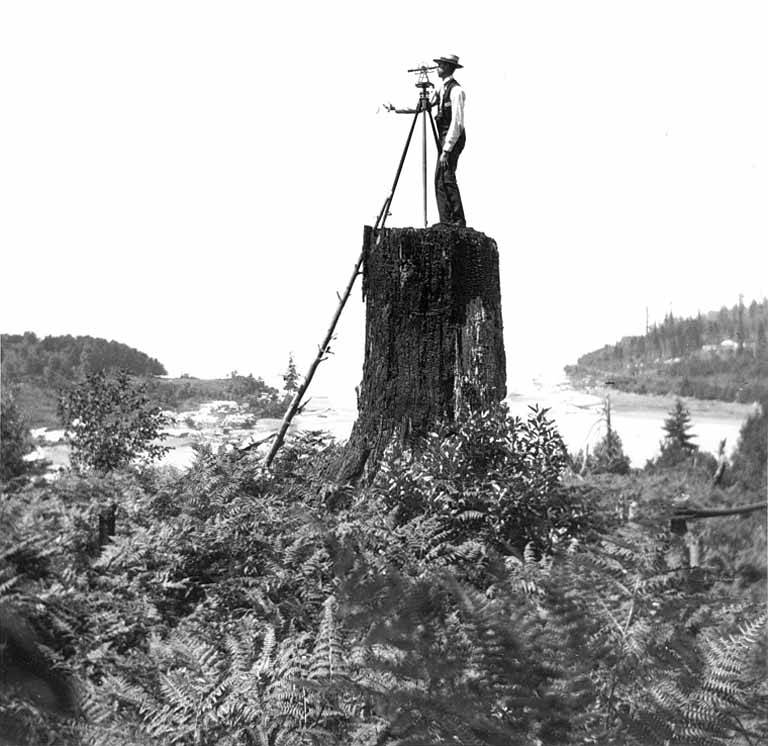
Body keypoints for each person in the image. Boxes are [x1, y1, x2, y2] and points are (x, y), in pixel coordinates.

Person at [385, 54, 467, 227]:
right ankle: (446, 221)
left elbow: (457, 123)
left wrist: (446, 150)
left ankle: (458, 220)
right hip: (444, 137)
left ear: (448, 67)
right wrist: (396, 108)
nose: (437, 68)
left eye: (440, 65)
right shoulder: (441, 89)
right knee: (440, 179)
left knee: (446, 177)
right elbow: (423, 106)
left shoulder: (456, 91)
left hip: (453, 138)